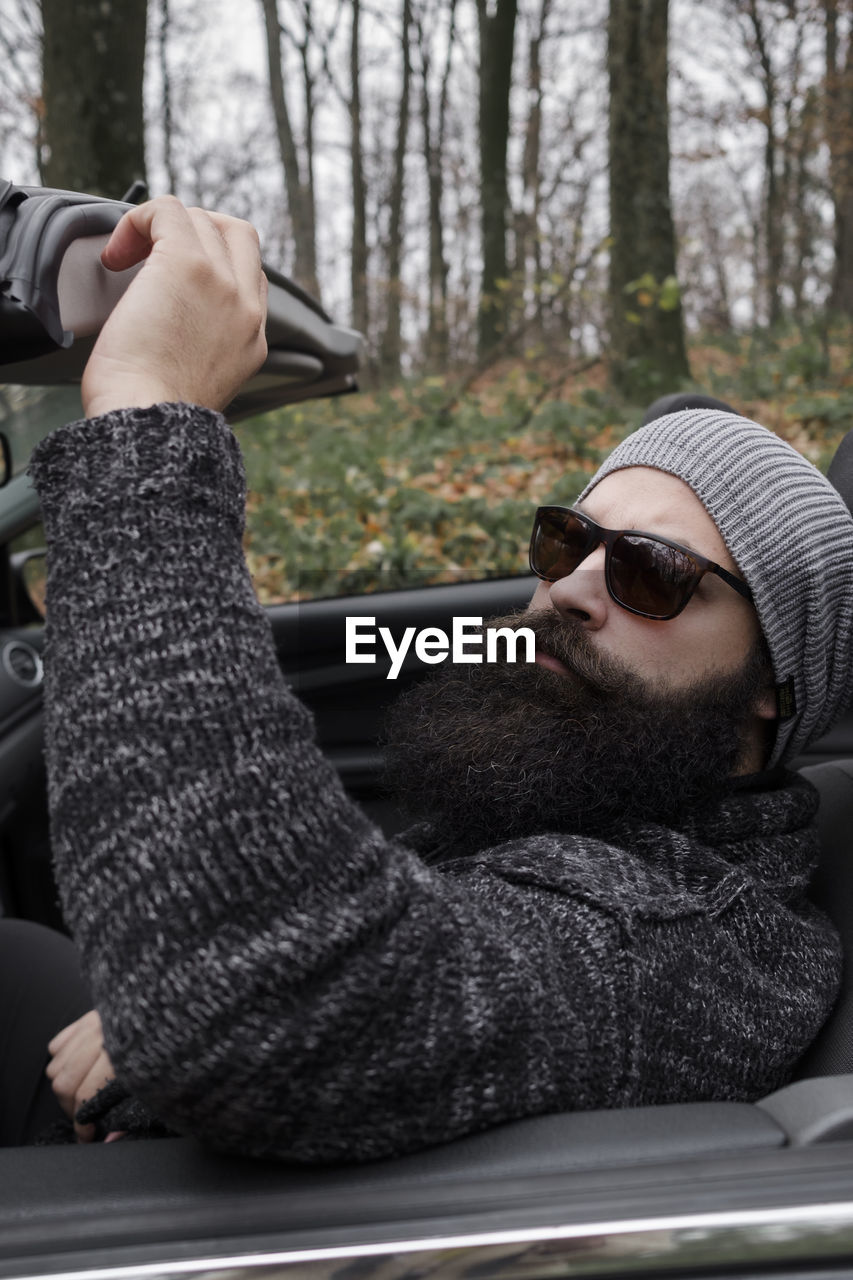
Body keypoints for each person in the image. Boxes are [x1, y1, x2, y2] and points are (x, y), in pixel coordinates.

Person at [21, 196, 853, 1159]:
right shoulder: (590, 804)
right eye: (566, 540)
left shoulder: (688, 943)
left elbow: (264, 1004)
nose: (571, 590)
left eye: (650, 574)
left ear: (769, 681)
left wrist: (146, 409)